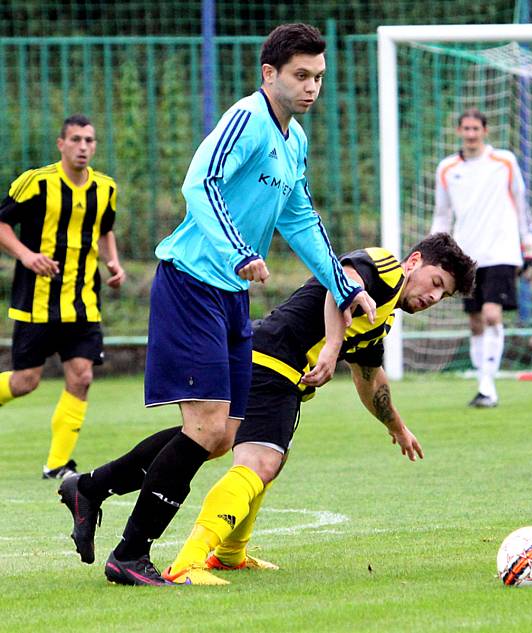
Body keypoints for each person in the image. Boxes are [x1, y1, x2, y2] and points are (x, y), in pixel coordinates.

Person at [58, 23, 375, 586]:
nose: (311, 88)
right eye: (301, 76)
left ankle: (89, 488)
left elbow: (299, 217)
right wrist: (238, 250)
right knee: (206, 429)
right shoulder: (246, 119)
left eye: (319, 78)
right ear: (269, 74)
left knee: (221, 434)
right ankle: (129, 555)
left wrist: (344, 285)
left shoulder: (293, 139)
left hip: (227, 295)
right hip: (191, 284)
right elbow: (198, 184)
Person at [159, 233, 476, 585]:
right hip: (272, 362)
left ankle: (230, 554)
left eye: (443, 294)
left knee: (268, 462)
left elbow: (369, 377)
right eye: (436, 283)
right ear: (414, 261)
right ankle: (187, 563)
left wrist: (397, 427)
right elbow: (341, 282)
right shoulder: (387, 269)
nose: (434, 296)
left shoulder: (381, 317)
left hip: (276, 368)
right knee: (259, 462)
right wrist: (332, 346)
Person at [0, 114, 125, 479]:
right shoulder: (36, 183)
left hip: (83, 302)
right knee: (26, 381)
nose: (83, 147)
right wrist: (26, 255)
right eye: (76, 140)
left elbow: (104, 231)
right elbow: (2, 223)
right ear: (61, 144)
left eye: (89, 140)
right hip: (36, 302)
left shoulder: (106, 188)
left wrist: (113, 262)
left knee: (82, 376)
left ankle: (56, 464)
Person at [431, 108, 532, 408]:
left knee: (493, 315)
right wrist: (431, 253)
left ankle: (488, 387)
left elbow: (520, 203)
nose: (470, 134)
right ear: (459, 132)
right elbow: (442, 216)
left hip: (502, 251)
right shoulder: (447, 169)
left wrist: (529, 247)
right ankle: (483, 382)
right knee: (476, 322)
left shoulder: (504, 162)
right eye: (465, 128)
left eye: (475, 128)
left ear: (485, 131)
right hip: (467, 257)